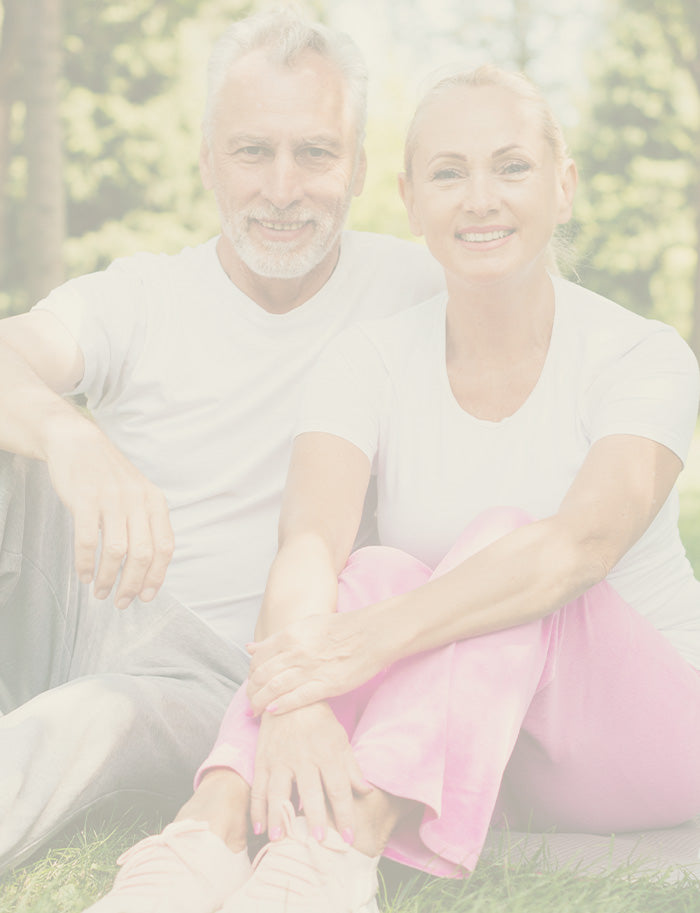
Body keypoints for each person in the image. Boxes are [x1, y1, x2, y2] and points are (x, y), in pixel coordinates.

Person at [89, 63, 700, 913]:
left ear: (563, 187)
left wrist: (361, 645)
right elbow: (308, 543)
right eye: (449, 173)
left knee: (504, 546)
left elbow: (577, 549)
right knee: (371, 568)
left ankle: (339, 853)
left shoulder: (642, 355)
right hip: (479, 737)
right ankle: (210, 828)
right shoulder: (369, 358)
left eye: (511, 167)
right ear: (411, 200)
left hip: (648, 745)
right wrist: (297, 702)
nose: (479, 198)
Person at [0, 8, 443, 877]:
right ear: (209, 162)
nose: (282, 187)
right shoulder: (143, 295)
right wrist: (68, 436)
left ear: (357, 168)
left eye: (314, 153)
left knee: (87, 720)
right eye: (252, 152)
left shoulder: (419, 289)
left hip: (221, 682)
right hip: (86, 602)